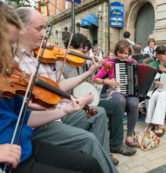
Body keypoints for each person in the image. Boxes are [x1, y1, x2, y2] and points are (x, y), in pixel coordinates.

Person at [0, 3, 102, 172]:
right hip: (10, 161)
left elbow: (24, 115)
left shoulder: (8, 80)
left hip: (24, 145)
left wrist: (65, 110)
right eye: (8, 47)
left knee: (90, 164)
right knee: (87, 141)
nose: (12, 56)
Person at [62, 33, 136, 157]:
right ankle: (103, 151)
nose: (85, 56)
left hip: (86, 99)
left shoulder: (83, 64)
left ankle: (116, 144)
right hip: (73, 103)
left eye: (87, 52)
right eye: (83, 52)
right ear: (70, 49)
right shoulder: (62, 65)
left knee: (117, 105)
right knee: (99, 111)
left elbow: (89, 84)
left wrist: (92, 70)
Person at [93, 40, 139, 147]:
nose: (123, 56)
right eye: (120, 53)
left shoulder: (134, 63)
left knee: (133, 104)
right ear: (116, 52)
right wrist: (107, 81)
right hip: (115, 91)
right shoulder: (110, 64)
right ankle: (116, 132)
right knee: (120, 101)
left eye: (125, 53)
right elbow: (95, 79)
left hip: (130, 92)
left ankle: (129, 136)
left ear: (129, 54)